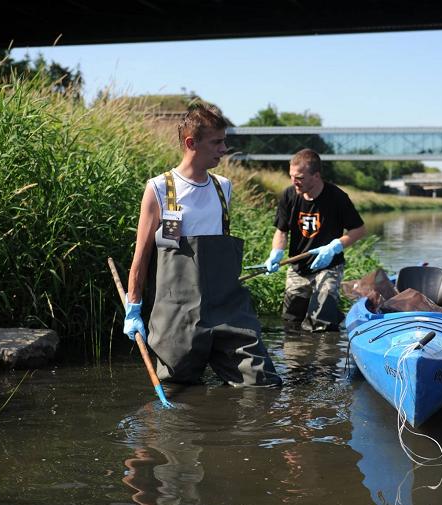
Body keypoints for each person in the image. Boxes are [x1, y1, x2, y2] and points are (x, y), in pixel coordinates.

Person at [123, 104, 281, 386]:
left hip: (228, 309)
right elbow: (142, 255)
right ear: (190, 143)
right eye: (217, 142)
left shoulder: (224, 187)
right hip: (176, 314)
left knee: (261, 384)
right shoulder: (159, 188)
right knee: (177, 390)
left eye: (224, 141)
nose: (224, 149)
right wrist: (133, 307)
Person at [264, 148, 366, 331]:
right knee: (292, 318)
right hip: (298, 266)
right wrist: (276, 253)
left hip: (329, 265)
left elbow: (359, 229)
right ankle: (296, 356)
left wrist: (335, 247)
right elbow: (281, 231)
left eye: (300, 177)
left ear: (316, 176)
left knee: (322, 316)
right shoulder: (289, 195)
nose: (294, 181)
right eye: (291, 176)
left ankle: (324, 355)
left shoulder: (337, 197)